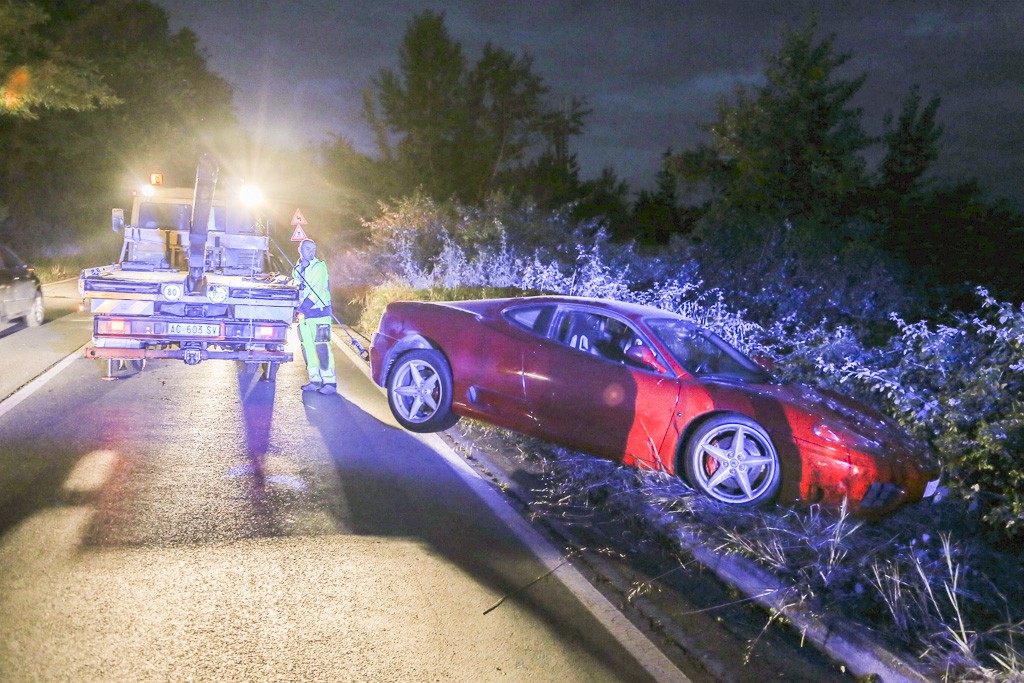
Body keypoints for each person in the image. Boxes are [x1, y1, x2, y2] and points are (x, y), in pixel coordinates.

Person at [293, 239, 337, 394]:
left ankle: (330, 383)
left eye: (313, 249)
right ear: (300, 250)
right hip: (305, 317)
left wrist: (300, 309)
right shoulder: (297, 268)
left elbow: (317, 291)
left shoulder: (320, 266)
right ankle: (315, 380)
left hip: (320, 314)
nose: (311, 252)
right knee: (308, 348)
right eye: (307, 249)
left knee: (322, 346)